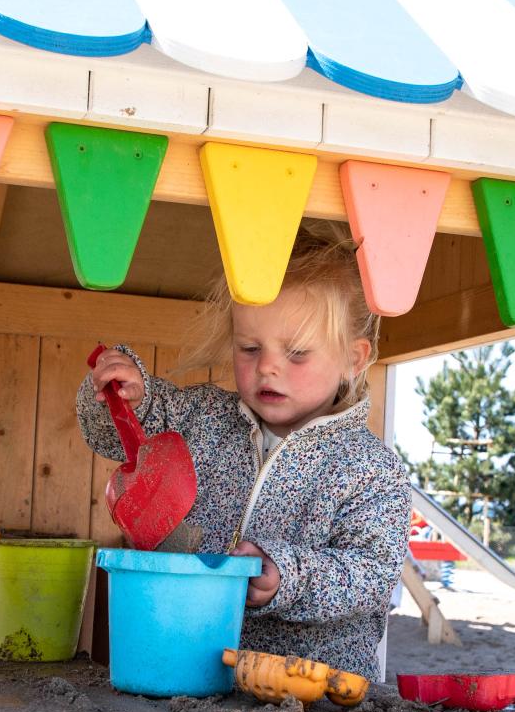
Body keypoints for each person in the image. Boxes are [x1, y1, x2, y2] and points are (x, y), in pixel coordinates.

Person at [79, 226, 410, 679]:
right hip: (188, 666)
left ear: (353, 359)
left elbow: (372, 575)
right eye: (250, 348)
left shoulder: (371, 469)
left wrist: (285, 575)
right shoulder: (203, 417)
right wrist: (126, 394)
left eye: (296, 353)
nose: (268, 366)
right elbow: (121, 437)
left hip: (314, 689)